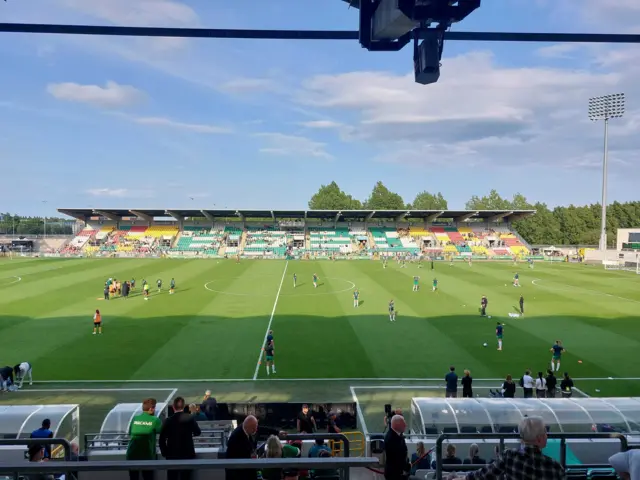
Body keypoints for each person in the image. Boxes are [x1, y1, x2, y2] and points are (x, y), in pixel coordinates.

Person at [450, 416, 564, 480]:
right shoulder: (555, 467)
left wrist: (460, 478)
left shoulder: (510, 456)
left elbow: (484, 475)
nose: (547, 435)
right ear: (539, 439)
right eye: (545, 432)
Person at [159, 397, 201, 480]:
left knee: (172, 477)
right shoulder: (190, 418)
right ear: (184, 406)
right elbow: (197, 432)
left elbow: (161, 439)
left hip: (172, 455)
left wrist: (165, 453)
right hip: (187, 454)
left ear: (173, 407)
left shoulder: (168, 420)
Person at [126, 398, 163, 480]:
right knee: (148, 477)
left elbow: (130, 433)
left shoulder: (135, 418)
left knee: (133, 478)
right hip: (147, 455)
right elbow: (163, 432)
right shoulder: (155, 420)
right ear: (151, 409)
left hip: (132, 454)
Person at [225, 415, 258, 480]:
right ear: (248, 427)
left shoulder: (245, 429)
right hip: (237, 473)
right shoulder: (236, 437)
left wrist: (277, 432)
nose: (255, 430)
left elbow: (262, 429)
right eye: (254, 428)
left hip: (242, 470)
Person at [383, 415, 410, 480]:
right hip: (395, 475)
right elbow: (398, 458)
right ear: (397, 424)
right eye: (403, 423)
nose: (405, 425)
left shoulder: (397, 435)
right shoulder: (391, 439)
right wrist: (407, 466)